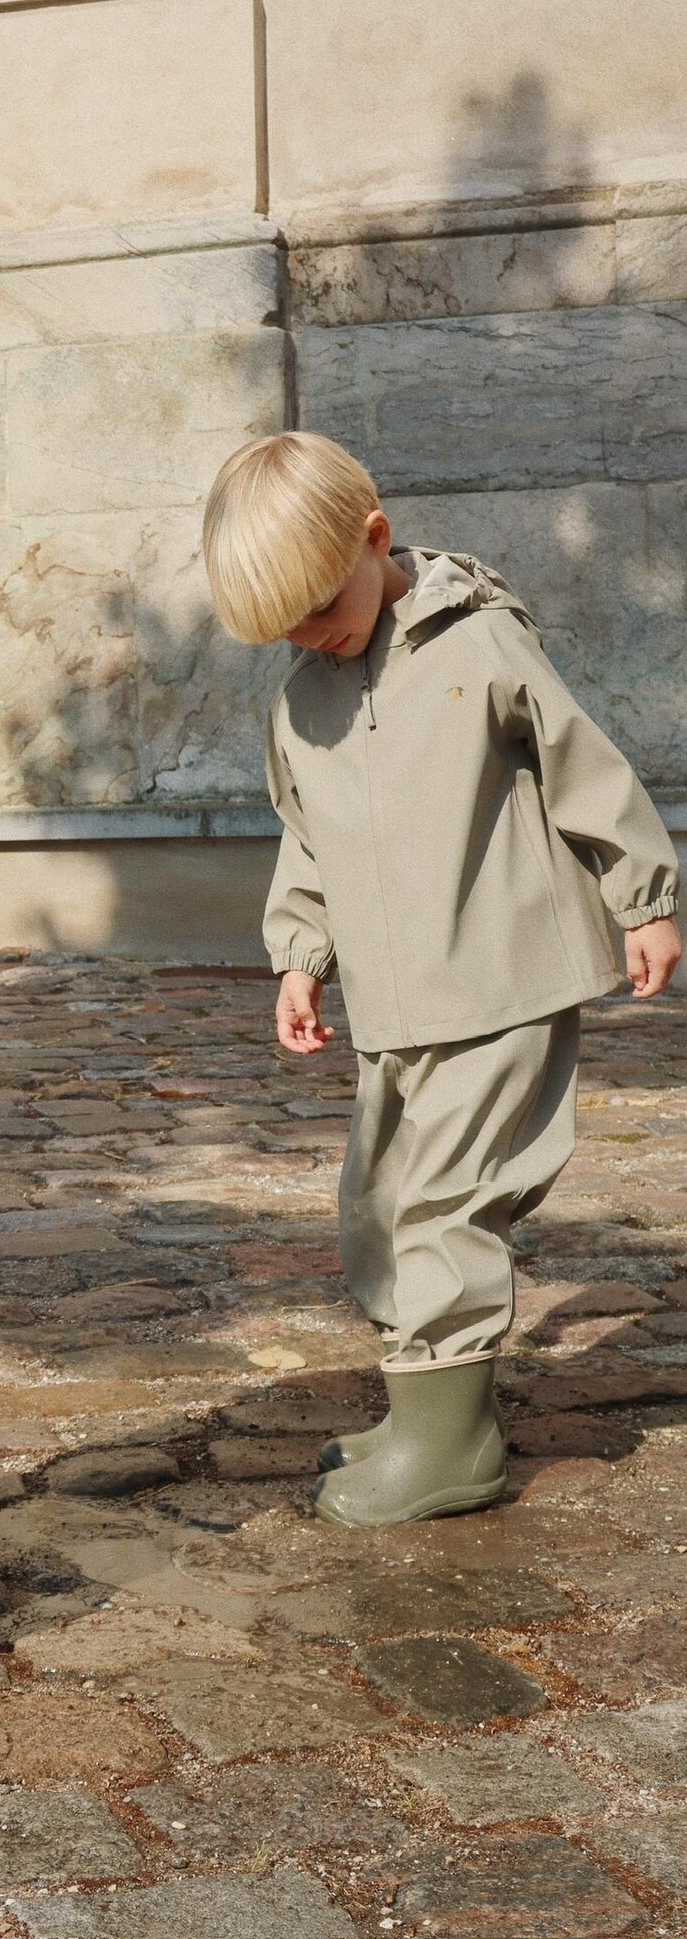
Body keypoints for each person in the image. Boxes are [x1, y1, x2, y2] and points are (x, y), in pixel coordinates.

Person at [202, 430, 680, 1527]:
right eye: (285, 629)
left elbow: (582, 764)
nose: (311, 636)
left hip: (502, 975)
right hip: (394, 999)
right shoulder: (303, 700)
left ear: (374, 539)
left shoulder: (483, 642)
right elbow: (307, 839)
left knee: (447, 1202)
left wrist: (645, 896)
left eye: (321, 607)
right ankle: (424, 1402)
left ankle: (451, 1445)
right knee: (377, 1203)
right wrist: (300, 956)